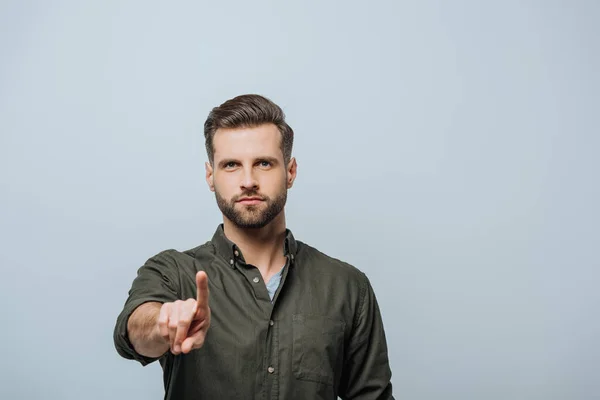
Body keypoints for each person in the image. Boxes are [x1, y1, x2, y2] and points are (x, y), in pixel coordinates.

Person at [113, 94, 394, 399]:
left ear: (290, 171)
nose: (248, 181)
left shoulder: (347, 286)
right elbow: (134, 331)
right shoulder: (173, 272)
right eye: (231, 165)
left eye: (263, 163)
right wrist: (162, 326)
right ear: (211, 176)